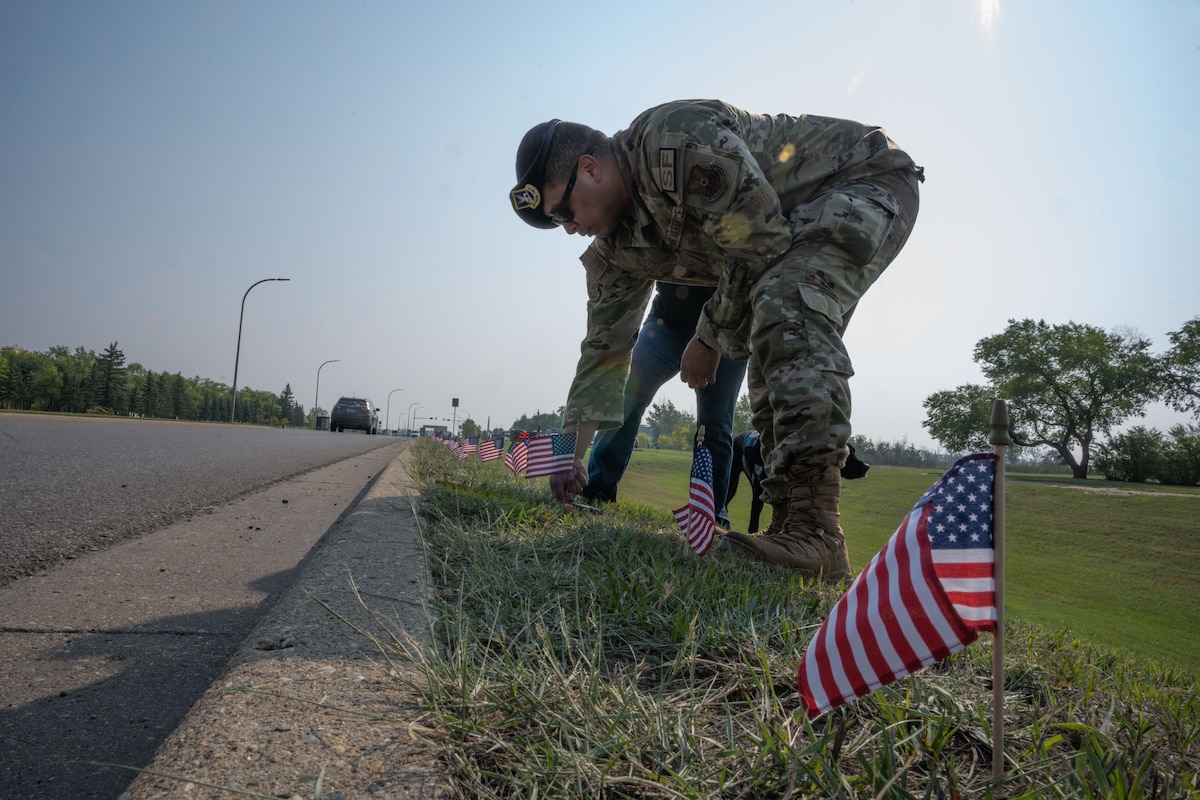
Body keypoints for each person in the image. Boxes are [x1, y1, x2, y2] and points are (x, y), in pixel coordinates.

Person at [509, 99, 922, 580]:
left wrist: (708, 337)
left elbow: (759, 235)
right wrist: (567, 455)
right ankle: (790, 524)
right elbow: (603, 350)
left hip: (862, 179)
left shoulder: (672, 141)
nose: (570, 228)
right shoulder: (616, 246)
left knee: (785, 300)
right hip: (789, 230)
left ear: (590, 168)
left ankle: (818, 529)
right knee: (769, 346)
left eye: (564, 211)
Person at [580, 281, 748, 528]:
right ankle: (597, 490)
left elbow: (743, 279)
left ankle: (709, 518)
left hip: (727, 328)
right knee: (627, 394)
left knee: (716, 422)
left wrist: (710, 338)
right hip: (667, 322)